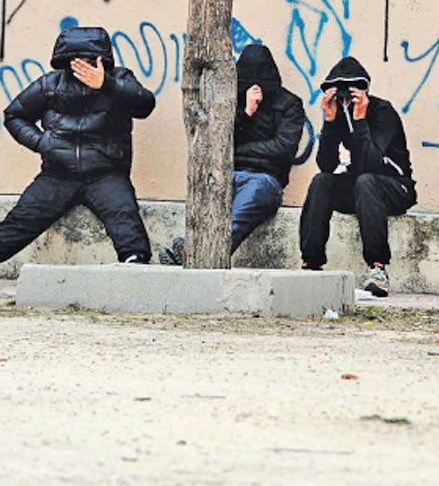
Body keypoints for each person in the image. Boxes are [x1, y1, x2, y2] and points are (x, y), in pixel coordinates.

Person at [0, 25, 155, 264]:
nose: (82, 65)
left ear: (102, 59)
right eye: (75, 59)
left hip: (107, 175)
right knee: (17, 225)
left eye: (89, 59)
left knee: (129, 231)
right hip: (57, 175)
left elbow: (145, 105)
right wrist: (42, 142)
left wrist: (106, 84)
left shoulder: (120, 79)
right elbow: (14, 115)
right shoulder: (50, 84)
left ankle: (134, 277)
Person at [159, 43, 304, 265]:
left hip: (265, 179)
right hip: (228, 172)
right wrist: (246, 113)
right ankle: (192, 248)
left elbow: (283, 149)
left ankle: (194, 254)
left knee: (242, 209)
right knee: (208, 192)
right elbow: (217, 139)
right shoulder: (230, 100)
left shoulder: (289, 104)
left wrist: (239, 150)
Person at [298, 56, 416, 297]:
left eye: (349, 95)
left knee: (365, 181)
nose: (345, 102)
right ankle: (311, 264)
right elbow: (326, 165)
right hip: (364, 189)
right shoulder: (340, 114)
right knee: (321, 182)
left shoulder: (383, 112)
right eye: (340, 96)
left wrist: (361, 120)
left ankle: (378, 269)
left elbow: (372, 163)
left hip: (396, 187)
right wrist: (330, 122)